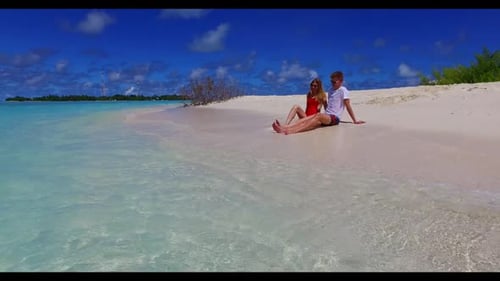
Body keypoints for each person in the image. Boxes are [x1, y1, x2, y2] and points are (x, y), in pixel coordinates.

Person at [272, 71, 365, 135]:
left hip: (335, 118)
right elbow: (328, 107)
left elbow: (347, 105)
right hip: (327, 115)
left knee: (318, 115)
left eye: (334, 82)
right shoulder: (331, 90)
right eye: (331, 81)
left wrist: (354, 120)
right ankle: (285, 127)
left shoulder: (343, 90)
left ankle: (291, 131)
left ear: (341, 81)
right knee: (306, 119)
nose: (332, 83)